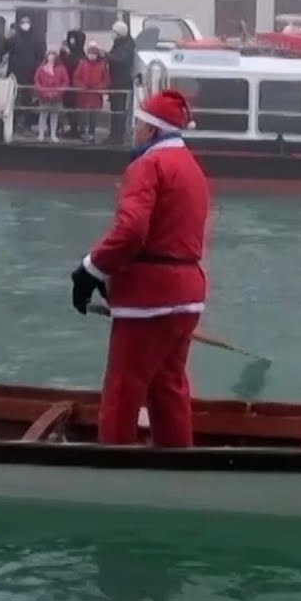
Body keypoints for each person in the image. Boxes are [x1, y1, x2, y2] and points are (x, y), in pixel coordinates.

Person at [69, 90, 210, 447]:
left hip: (149, 299)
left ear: (152, 130)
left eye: (138, 124)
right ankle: (177, 462)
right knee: (169, 385)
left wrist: (90, 270)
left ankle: (113, 465)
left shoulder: (147, 166)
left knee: (123, 388)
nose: (134, 130)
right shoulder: (192, 168)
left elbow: (131, 231)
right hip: (189, 296)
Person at [72, 42, 110, 143]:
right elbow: (76, 78)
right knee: (82, 116)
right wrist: (82, 87)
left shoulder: (102, 65)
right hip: (83, 95)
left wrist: (97, 87)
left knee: (93, 116)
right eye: (90, 54)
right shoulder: (82, 64)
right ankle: (82, 133)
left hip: (95, 96)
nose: (91, 56)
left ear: (97, 55)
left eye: (93, 54)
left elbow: (106, 80)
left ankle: (91, 134)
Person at [105, 20, 136, 146]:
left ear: (118, 33)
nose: (111, 34)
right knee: (115, 111)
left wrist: (107, 55)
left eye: (113, 32)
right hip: (115, 81)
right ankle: (113, 135)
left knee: (119, 111)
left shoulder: (128, 45)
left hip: (121, 82)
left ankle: (118, 137)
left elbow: (121, 59)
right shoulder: (119, 44)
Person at [32, 49, 70, 142]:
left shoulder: (61, 68)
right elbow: (37, 81)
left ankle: (53, 134)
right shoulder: (41, 68)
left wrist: (57, 92)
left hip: (56, 97)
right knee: (43, 115)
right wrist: (43, 92)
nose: (51, 59)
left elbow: (65, 82)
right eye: (49, 57)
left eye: (53, 58)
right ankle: (41, 134)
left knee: (54, 116)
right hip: (44, 97)